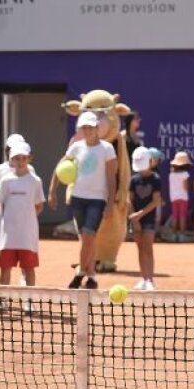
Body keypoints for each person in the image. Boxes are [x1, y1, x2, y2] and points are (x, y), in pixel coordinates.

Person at [51, 111, 117, 290]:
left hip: (97, 199)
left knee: (88, 236)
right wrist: (52, 191)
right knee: (88, 239)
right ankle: (92, 277)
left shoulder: (107, 149)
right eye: (84, 127)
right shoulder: (76, 147)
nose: (88, 130)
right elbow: (61, 167)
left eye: (90, 127)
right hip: (78, 198)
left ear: (97, 128)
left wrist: (110, 203)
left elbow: (112, 178)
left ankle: (80, 273)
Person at [0, 141, 45, 298]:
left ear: (29, 159)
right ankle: (2, 299)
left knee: (29, 268)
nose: (20, 161)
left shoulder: (35, 181)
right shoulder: (5, 180)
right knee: (5, 268)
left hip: (27, 235)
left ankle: (29, 300)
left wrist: (26, 219)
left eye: (24, 158)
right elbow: (0, 204)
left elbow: (39, 206)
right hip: (8, 235)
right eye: (17, 158)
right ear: (12, 160)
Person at [128, 146, 162, 290]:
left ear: (150, 161)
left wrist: (139, 215)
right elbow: (129, 200)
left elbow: (156, 201)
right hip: (135, 219)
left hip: (147, 219)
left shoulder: (156, 179)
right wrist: (133, 218)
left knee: (148, 248)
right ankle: (143, 279)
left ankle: (150, 280)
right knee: (140, 248)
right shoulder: (133, 179)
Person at [161, 151, 192, 242]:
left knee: (175, 216)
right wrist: (189, 185)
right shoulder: (185, 174)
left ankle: (174, 235)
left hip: (173, 198)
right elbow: (186, 187)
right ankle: (182, 235)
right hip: (183, 197)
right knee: (182, 216)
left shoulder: (171, 175)